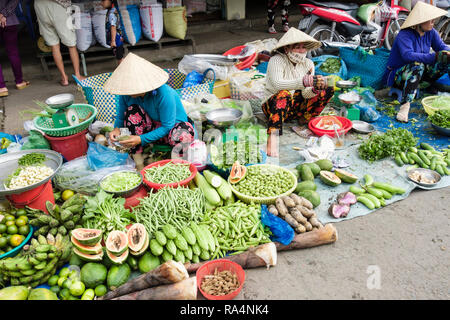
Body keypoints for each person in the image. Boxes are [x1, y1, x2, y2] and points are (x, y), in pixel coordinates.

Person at [104, 53, 196, 157]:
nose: (129, 92)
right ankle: (138, 158)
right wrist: (116, 129)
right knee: (132, 111)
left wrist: (140, 139)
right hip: (151, 129)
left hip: (171, 131)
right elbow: (120, 117)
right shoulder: (126, 93)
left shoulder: (165, 94)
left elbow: (167, 126)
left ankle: (178, 159)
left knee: (183, 132)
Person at [262, 27, 334, 157]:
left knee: (328, 88)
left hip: (294, 109)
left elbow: (306, 94)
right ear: (286, 49)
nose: (301, 51)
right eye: (297, 47)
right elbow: (277, 84)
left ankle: (304, 120)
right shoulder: (277, 60)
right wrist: (303, 82)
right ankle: (273, 137)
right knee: (284, 94)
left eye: (303, 47)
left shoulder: (308, 64)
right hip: (274, 108)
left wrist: (315, 88)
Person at [383, 1, 449, 123]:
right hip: (399, 75)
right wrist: (433, 57)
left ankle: (428, 87)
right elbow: (408, 56)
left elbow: (441, 46)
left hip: (418, 75)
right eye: (430, 20)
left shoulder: (431, 32)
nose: (433, 23)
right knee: (417, 65)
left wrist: (447, 52)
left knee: (447, 60)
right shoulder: (404, 34)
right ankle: (405, 106)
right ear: (420, 21)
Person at [34, 0, 86, 86]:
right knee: (71, 44)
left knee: (54, 45)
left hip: (40, 6)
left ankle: (64, 78)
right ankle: (78, 75)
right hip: (57, 5)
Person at [0, 0, 30, 97]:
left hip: (7, 20)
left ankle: (1, 87)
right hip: (9, 20)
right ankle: (19, 82)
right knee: (13, 52)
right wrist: (3, 14)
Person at [101, 0, 125, 64]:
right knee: (119, 57)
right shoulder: (111, 11)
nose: (101, 3)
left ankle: (123, 72)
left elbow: (113, 27)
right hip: (117, 39)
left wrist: (113, 41)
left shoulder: (111, 13)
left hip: (117, 40)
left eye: (103, 1)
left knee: (120, 58)